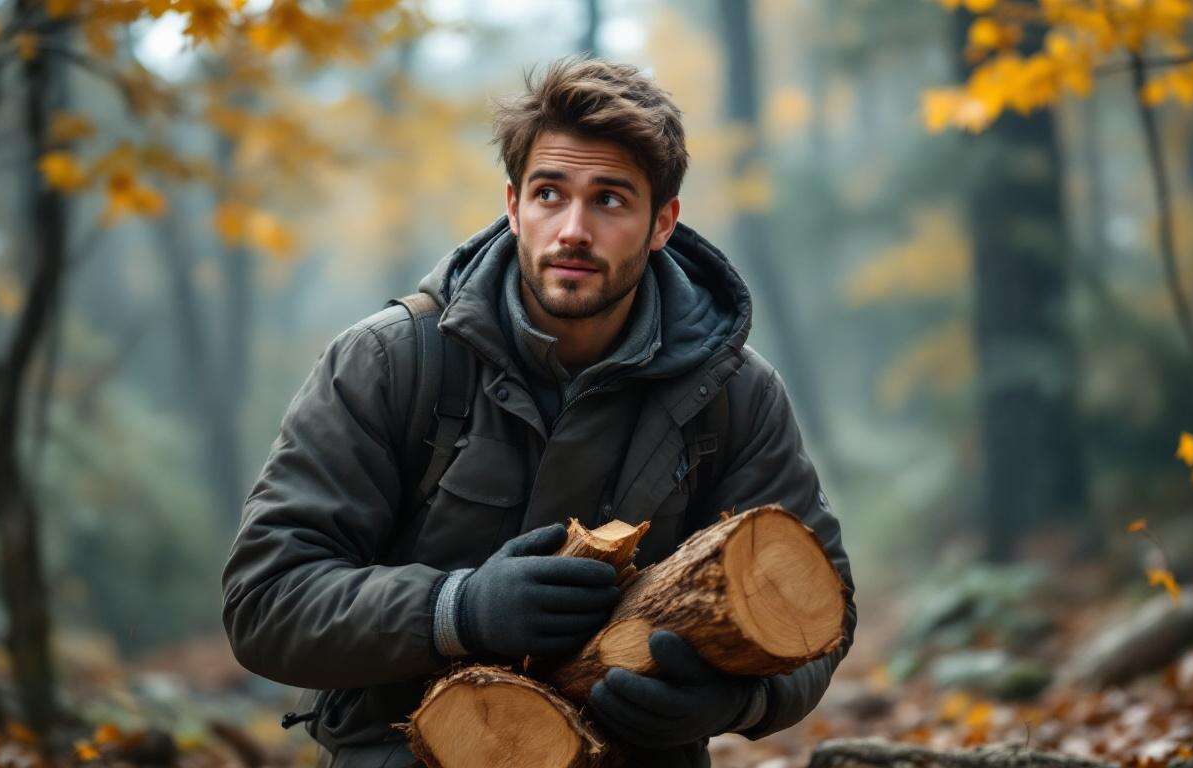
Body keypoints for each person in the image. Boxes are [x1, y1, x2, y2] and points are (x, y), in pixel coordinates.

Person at [221, 57, 855, 768]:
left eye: (610, 200)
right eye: (550, 193)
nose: (573, 230)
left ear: (662, 223)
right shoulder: (390, 363)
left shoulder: (733, 391)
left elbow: (822, 608)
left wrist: (735, 701)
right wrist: (456, 610)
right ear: (514, 206)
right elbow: (266, 600)